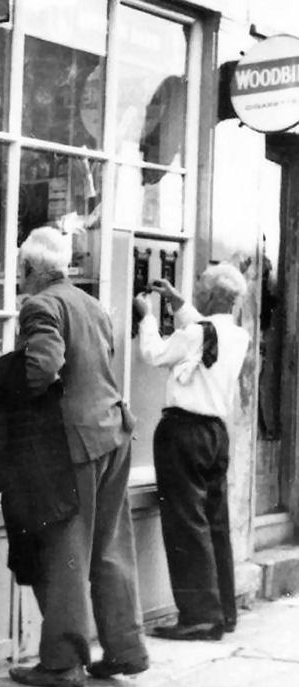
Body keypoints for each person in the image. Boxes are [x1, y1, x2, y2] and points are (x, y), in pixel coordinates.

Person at [8, 226, 149, 687]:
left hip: (75, 444)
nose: (19, 279)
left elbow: (43, 366)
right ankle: (126, 649)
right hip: (114, 433)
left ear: (30, 270)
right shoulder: (91, 304)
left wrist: (9, 389)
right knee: (109, 547)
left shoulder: (40, 305)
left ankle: (63, 662)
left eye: (20, 271)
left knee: (67, 549)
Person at [133, 262, 249, 640]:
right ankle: (221, 612)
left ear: (213, 293)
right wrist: (180, 305)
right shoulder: (236, 334)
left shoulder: (196, 334)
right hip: (216, 432)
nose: (195, 285)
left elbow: (153, 354)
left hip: (183, 430)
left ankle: (198, 617)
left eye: (200, 282)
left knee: (185, 522)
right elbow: (206, 332)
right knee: (214, 521)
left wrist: (147, 317)